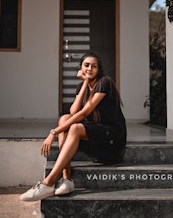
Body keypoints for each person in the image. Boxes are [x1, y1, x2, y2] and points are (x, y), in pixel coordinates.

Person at [20, 52, 127, 201]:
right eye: (86, 65)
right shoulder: (82, 86)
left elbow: (84, 113)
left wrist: (53, 133)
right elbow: (73, 111)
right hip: (95, 138)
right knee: (64, 118)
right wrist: (84, 83)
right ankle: (67, 179)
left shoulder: (104, 82)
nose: (90, 69)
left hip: (112, 139)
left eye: (94, 66)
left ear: (99, 69)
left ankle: (48, 183)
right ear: (80, 67)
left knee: (75, 127)